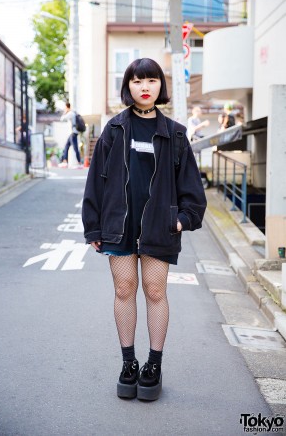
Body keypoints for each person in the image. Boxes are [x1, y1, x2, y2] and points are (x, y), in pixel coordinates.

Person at [82, 58, 207, 401]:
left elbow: (192, 190)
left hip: (158, 228)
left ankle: (153, 364)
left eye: (151, 80)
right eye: (137, 81)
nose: (145, 87)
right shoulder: (114, 129)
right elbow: (96, 181)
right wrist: (93, 226)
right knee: (124, 289)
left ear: (159, 87)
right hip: (119, 226)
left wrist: (181, 219)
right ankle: (128, 363)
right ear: (129, 87)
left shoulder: (176, 134)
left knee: (154, 291)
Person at [58, 102, 82, 168]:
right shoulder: (74, 112)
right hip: (73, 133)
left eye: (65, 108)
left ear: (67, 107)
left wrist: (65, 112)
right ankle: (65, 161)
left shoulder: (70, 113)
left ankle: (79, 163)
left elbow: (62, 119)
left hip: (73, 133)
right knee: (66, 146)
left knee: (75, 148)